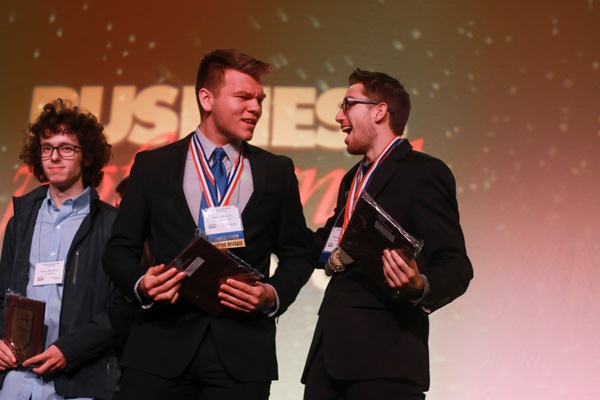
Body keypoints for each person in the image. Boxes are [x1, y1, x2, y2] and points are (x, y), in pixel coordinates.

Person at [102, 49, 314, 400]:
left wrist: (272, 294)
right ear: (206, 98)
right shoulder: (153, 165)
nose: (256, 108)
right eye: (243, 97)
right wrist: (142, 283)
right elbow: (118, 250)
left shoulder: (276, 171)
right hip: (160, 346)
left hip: (242, 353)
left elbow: (298, 253)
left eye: (259, 99)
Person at [301, 69, 474, 399]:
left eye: (347, 104)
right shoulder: (352, 179)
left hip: (385, 364)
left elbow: (456, 265)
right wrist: (267, 222)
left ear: (379, 111)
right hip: (328, 363)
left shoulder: (424, 172)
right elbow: (326, 243)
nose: (339, 116)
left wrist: (420, 286)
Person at [0, 99, 128, 399]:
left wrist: (68, 350)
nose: (55, 157)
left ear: (87, 157)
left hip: (79, 379)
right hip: (17, 380)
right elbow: (1, 294)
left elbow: (122, 308)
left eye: (66, 147)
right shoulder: (20, 220)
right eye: (47, 148)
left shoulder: (110, 224)